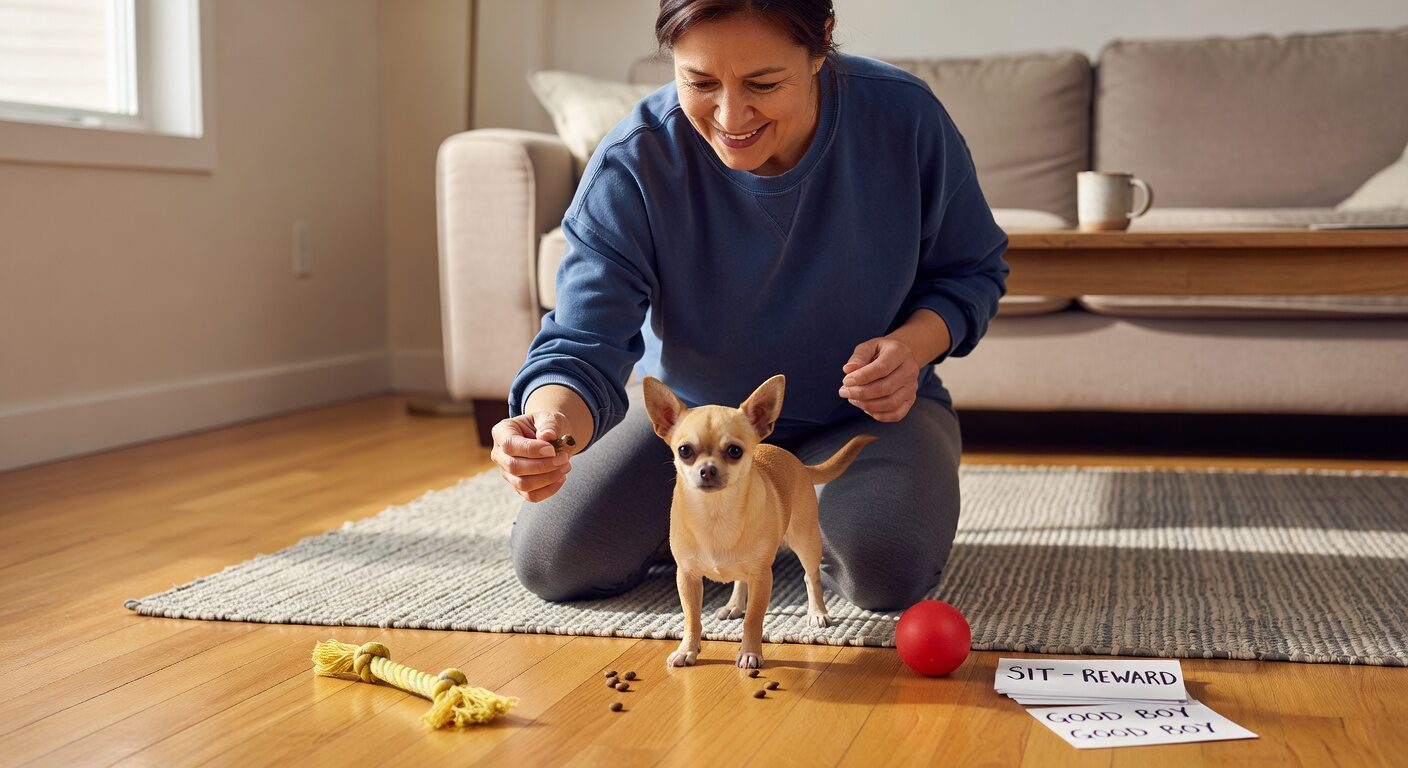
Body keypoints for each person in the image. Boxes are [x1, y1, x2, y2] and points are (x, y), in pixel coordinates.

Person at [489, 0, 1009, 612]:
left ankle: (772, 521)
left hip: (866, 419)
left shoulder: (905, 117)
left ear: (821, 43)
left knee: (884, 568)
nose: (730, 116)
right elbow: (582, 342)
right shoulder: (634, 162)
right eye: (699, 82)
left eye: (764, 83)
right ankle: (737, 526)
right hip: (699, 430)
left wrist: (912, 348)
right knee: (553, 560)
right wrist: (548, 429)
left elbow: (972, 270)